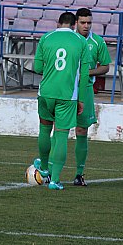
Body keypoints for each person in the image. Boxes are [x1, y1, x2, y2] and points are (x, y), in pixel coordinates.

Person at [32, 12, 92, 190]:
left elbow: (37, 68)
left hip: (46, 92)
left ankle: (43, 169)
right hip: (67, 95)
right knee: (61, 135)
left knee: (44, 129)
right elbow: (85, 75)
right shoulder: (81, 41)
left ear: (58, 23)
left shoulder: (46, 37)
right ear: (74, 25)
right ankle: (55, 180)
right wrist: (81, 100)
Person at [72, 8, 111, 186]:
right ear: (76, 23)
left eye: (89, 23)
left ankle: (79, 174)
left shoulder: (97, 42)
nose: (86, 26)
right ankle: (49, 170)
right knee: (58, 130)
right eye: (82, 22)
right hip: (65, 89)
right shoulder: (69, 40)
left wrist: (88, 72)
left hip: (85, 90)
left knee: (81, 131)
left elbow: (105, 66)